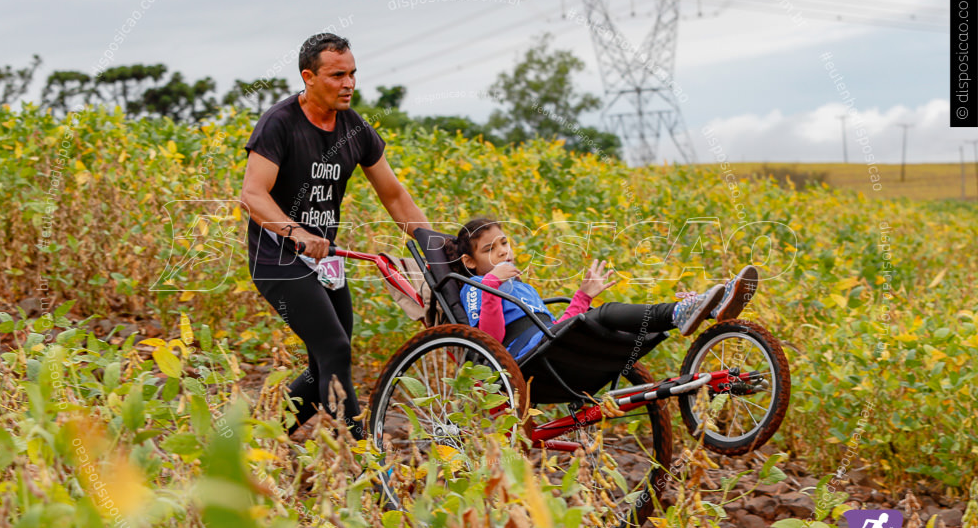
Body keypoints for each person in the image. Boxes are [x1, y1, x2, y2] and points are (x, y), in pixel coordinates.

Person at [239, 33, 429, 439]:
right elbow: (252, 194)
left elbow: (395, 196)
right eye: (337, 75)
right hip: (277, 257)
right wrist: (297, 232)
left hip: (326, 260)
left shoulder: (354, 128)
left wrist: (433, 247)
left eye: (353, 74)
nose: (349, 84)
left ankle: (260, 443)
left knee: (327, 360)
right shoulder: (280, 123)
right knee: (336, 350)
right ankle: (366, 459)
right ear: (309, 77)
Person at [447, 218, 758, 359]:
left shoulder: (522, 287)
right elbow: (491, 340)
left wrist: (582, 297)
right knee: (604, 316)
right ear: (470, 262)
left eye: (504, 242)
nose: (503, 251)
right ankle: (682, 311)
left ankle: (707, 308)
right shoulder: (474, 285)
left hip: (548, 343)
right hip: (525, 355)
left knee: (597, 316)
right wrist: (491, 285)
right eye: (490, 249)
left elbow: (553, 327)